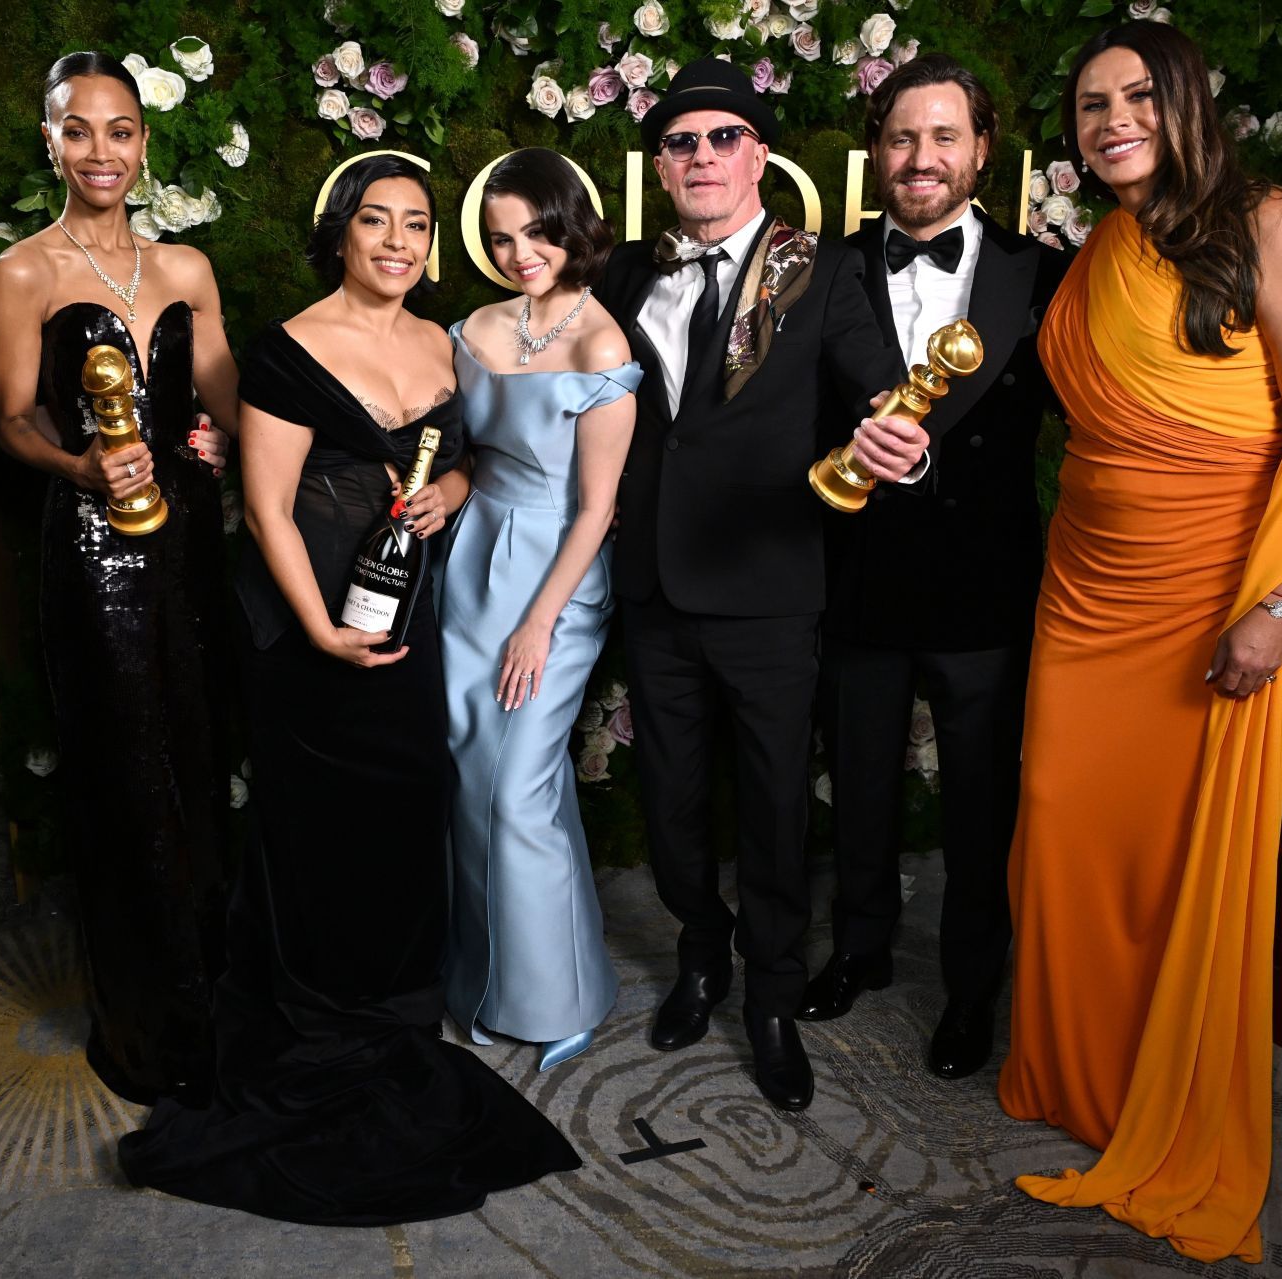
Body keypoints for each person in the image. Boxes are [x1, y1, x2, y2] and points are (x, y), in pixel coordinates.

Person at [115, 155, 581, 1224]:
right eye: (376, 220)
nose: (398, 242)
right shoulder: (286, 349)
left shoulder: (446, 344)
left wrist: (454, 484)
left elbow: (468, 459)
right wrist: (319, 631)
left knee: (406, 815)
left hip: (413, 621)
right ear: (341, 232)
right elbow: (269, 508)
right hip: (303, 629)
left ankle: (395, 1004)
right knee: (314, 826)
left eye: (416, 225)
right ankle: (318, 1008)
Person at [988, 22, 1282, 1263]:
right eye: (1091, 105)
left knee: (1174, 857)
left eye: (1136, 96)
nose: (1111, 122)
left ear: (1188, 100)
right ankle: (1079, 1079)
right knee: (1064, 830)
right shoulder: (1099, 246)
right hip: (1084, 593)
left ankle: (1166, 1097)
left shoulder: (1276, 224)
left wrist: (1274, 606)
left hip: (1215, 594)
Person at [594, 58, 926, 1113]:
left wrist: (899, 444)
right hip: (652, 582)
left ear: (760, 156)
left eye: (722, 138)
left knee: (778, 806)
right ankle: (702, 957)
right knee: (673, 800)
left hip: (772, 587)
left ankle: (772, 998)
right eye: (682, 141)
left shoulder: (817, 272)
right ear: (661, 163)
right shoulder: (624, 279)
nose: (702, 156)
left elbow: (883, 390)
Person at [800, 55, 1065, 1082]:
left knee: (978, 804)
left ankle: (969, 986)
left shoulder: (1040, 273)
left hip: (984, 586)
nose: (922, 158)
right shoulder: (823, 269)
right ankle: (860, 950)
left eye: (944, 136)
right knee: (859, 785)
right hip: (858, 575)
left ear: (982, 150)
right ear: (878, 150)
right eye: (903, 137)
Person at [0, 52, 238, 1107]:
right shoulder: (25, 273)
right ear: (52, 140)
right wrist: (79, 465)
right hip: (93, 550)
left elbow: (224, 394)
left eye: (120, 130)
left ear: (144, 142)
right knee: (125, 772)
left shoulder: (186, 268)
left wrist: (223, 436)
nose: (101, 150)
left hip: (189, 539)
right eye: (78, 130)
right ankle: (147, 1030)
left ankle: (215, 1004)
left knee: (200, 750)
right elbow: (10, 419)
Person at [440, 148, 640, 1073]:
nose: (519, 251)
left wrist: (539, 622)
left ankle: (558, 992)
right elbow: (473, 450)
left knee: (519, 784)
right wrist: (449, 488)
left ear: (572, 226)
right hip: (472, 556)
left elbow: (597, 506)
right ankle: (487, 977)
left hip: (557, 572)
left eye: (536, 231)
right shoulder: (477, 326)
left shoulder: (604, 343)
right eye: (500, 237)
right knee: (476, 771)